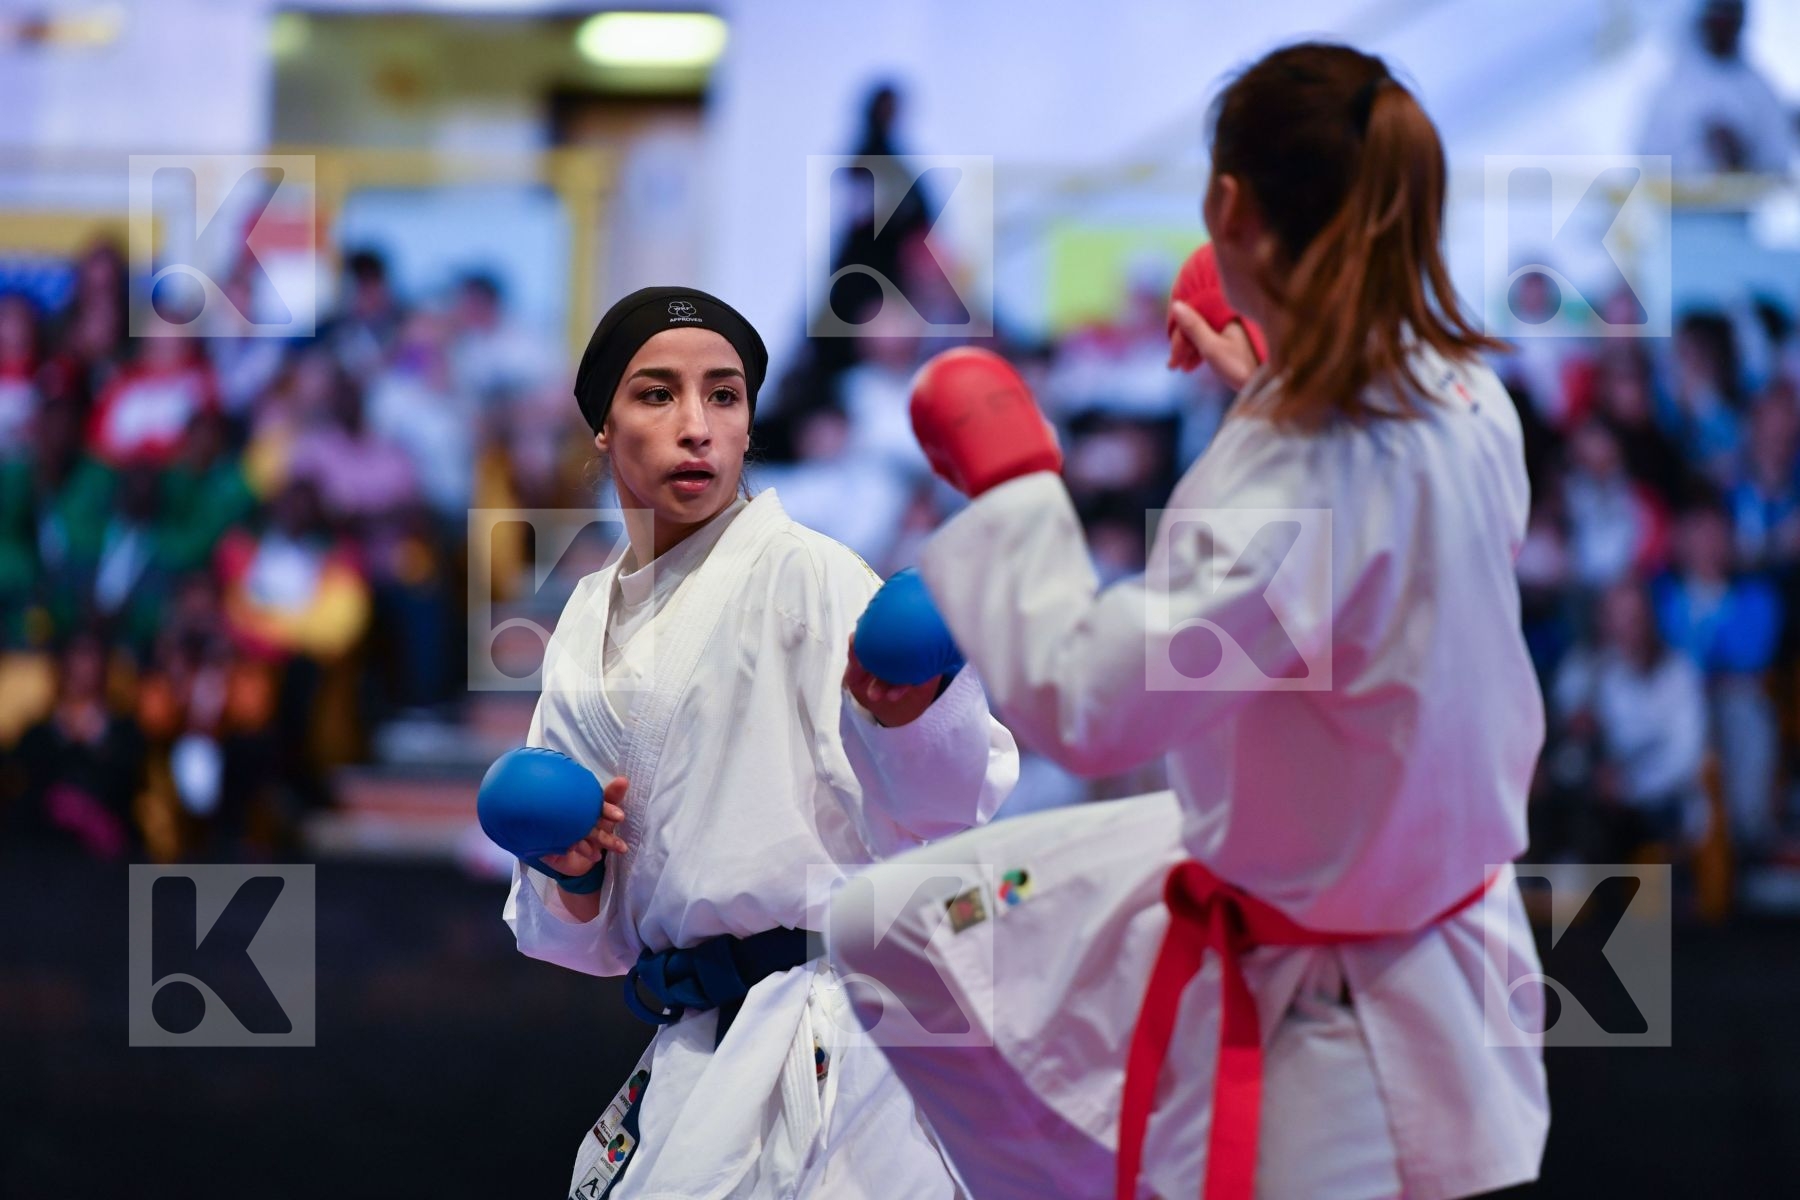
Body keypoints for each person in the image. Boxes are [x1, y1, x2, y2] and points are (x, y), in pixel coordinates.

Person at [832, 43, 1549, 1200]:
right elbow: (1346, 543)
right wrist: (1266, 376)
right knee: (886, 926)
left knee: (890, 930)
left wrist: (1013, 491)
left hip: (1334, 975)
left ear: (1228, 209)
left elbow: (1094, 705)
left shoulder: (1300, 483)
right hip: (1351, 878)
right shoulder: (1466, 394)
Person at [499, 286, 1017, 1199]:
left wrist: (908, 714)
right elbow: (585, 944)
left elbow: (954, 808)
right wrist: (575, 870)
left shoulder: (809, 574)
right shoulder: (582, 626)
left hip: (842, 1039)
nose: (697, 426)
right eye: (657, 395)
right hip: (695, 1038)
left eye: (725, 396)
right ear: (603, 431)